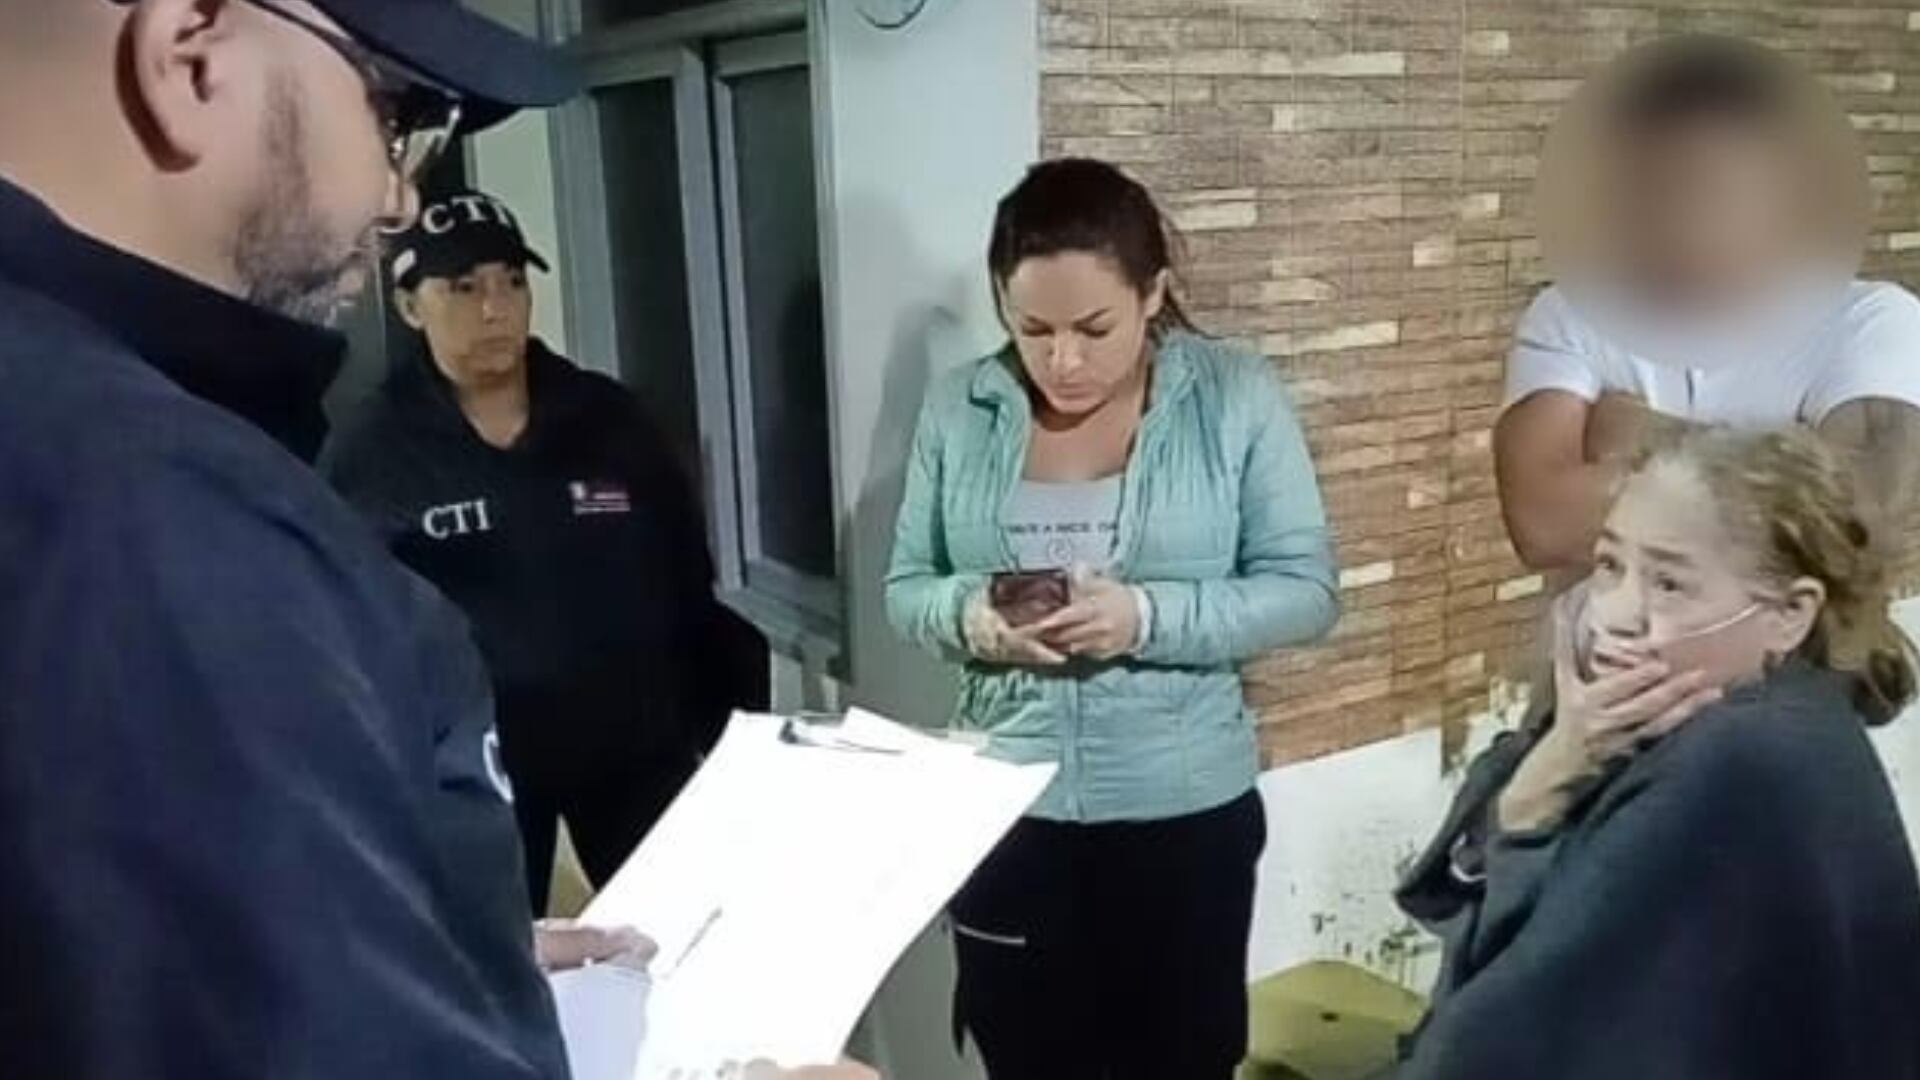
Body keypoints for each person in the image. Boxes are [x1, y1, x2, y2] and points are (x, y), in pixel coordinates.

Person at [0, 2, 858, 1077]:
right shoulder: (162, 518)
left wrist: (427, 961)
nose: (397, 194)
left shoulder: (87, 433)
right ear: (192, 57)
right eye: (393, 111)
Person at [886, 157, 1341, 1080]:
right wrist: (975, 617)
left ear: (1153, 295)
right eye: (1032, 329)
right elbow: (905, 589)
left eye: (1094, 329)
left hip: (1182, 817)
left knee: (1181, 1061)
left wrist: (1144, 617)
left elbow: (1306, 590)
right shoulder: (960, 407)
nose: (1063, 361)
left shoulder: (1233, 396)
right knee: (1026, 1060)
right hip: (1008, 810)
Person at [1394, 427, 1920, 1079]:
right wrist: (1545, 776)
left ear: (1789, 614)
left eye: (1669, 584)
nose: (1615, 613)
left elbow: (1502, 1040)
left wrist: (1530, 813)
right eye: (1610, 565)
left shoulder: (1741, 762)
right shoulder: (1746, 721)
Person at [325, 188, 763, 913]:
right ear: (409, 305)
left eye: (511, 282)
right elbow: (348, 623)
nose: (494, 309)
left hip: (633, 748)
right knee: (490, 952)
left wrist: (705, 720)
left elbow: (685, 573)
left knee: (680, 935)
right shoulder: (375, 451)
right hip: (476, 767)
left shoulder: (609, 420)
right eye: (463, 288)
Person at [1495, 35, 1920, 573]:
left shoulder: (1873, 323)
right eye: (1650, 190)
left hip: (1797, 633)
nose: (1677, 222)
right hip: (1611, 629)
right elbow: (1544, 526)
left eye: (1711, 190)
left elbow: (1859, 522)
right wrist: (1794, 466)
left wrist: (1648, 437)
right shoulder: (1572, 313)